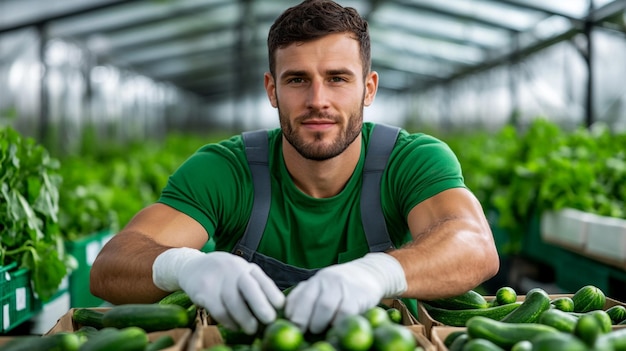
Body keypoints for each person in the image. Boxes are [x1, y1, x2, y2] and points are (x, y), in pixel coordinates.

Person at [90, 0, 499, 336]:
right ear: (272, 89)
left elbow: (475, 246)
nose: (317, 100)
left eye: (337, 78)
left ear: (368, 88)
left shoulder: (410, 159)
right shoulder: (227, 169)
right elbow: (111, 266)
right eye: (298, 80)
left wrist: (380, 272)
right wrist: (186, 267)